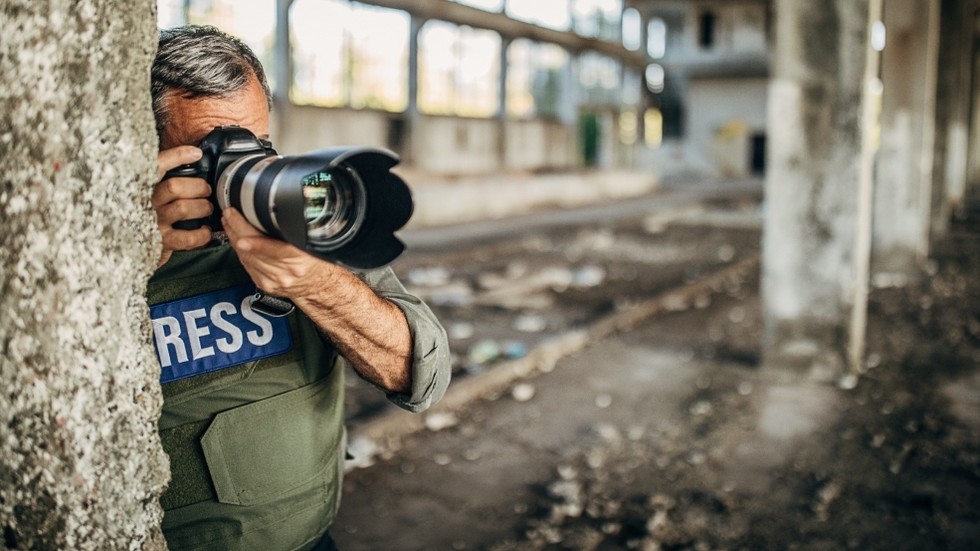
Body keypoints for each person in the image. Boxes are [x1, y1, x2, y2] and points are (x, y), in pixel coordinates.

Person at [147, 25, 451, 550]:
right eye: (210, 153)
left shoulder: (308, 220)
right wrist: (133, 253)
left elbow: (423, 375)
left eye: (256, 144)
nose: (240, 166)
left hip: (314, 539)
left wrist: (314, 283)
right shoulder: (110, 252)